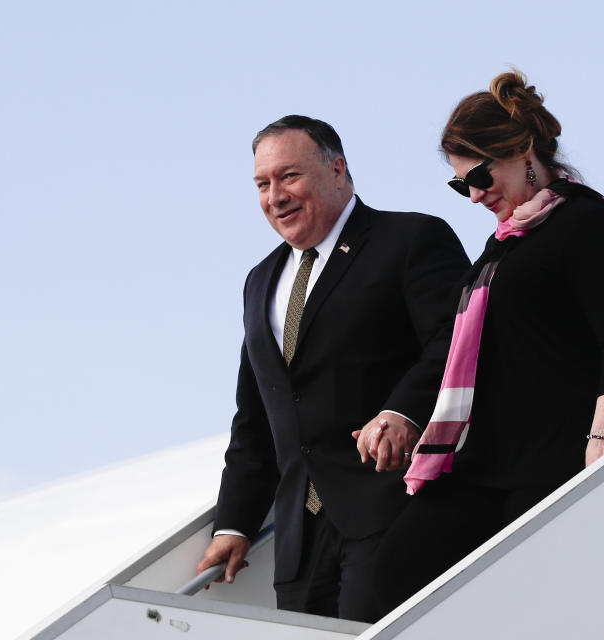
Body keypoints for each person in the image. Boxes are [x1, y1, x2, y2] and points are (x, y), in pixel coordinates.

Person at [367, 71, 604, 615]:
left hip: (558, 455)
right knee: (389, 581)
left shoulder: (582, 219)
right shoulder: (501, 245)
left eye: (480, 175)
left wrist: (602, 440)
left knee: (539, 607)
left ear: (522, 151)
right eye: (462, 185)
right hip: (485, 461)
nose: (476, 194)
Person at [196, 115, 470, 622]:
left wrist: (404, 412)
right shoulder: (260, 282)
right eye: (263, 184)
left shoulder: (411, 239)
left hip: (393, 509)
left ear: (338, 170)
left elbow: (456, 347)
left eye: (290, 176)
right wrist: (233, 524)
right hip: (299, 543)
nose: (276, 196)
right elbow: (256, 417)